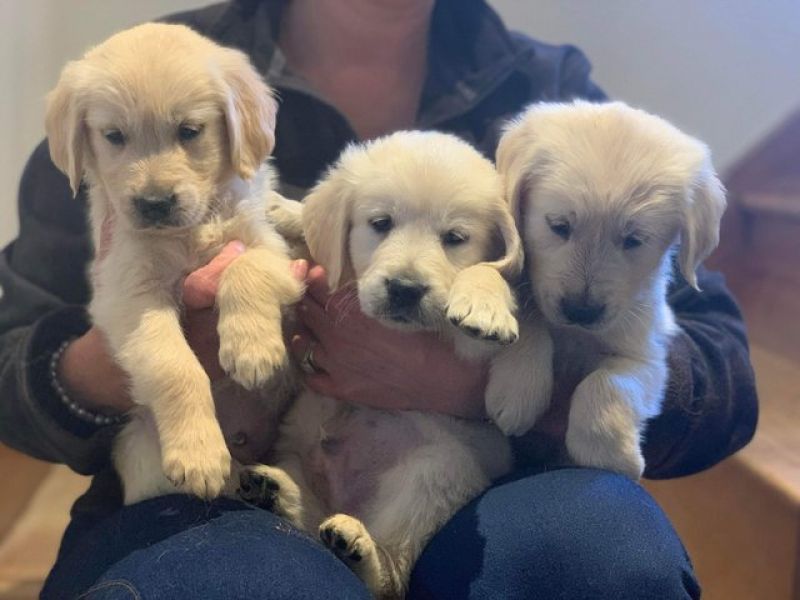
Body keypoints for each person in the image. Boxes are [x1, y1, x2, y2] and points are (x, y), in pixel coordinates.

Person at [0, 0, 757, 597]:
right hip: (206, 476)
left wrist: (471, 387)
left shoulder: (549, 95)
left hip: (476, 469)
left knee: (598, 560)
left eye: (190, 136)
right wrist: (136, 360)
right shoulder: (145, 75)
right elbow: (12, 360)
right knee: (241, 584)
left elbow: (719, 369)